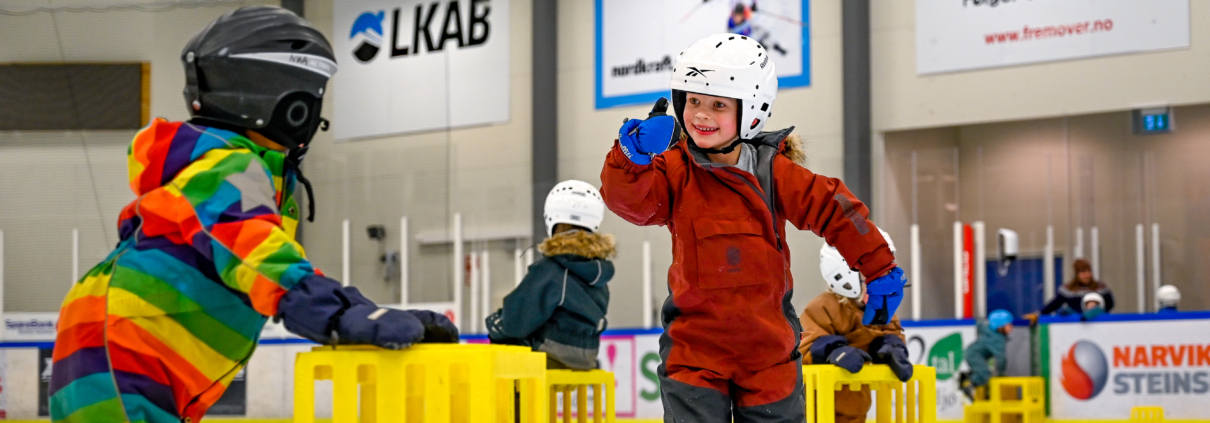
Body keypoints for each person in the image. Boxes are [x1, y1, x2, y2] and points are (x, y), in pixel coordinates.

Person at [49, 8, 457, 423]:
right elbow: (256, 251)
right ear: (286, 100)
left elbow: (262, 254)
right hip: (128, 348)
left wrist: (360, 309)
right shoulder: (227, 167)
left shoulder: (227, 168)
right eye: (313, 96)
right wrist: (339, 314)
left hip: (123, 342)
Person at [600, 33, 904, 422]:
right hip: (694, 351)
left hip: (769, 352)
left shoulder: (772, 173)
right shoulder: (675, 170)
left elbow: (835, 208)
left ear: (753, 110)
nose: (701, 114)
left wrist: (879, 266)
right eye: (693, 101)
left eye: (718, 105)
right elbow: (632, 204)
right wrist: (632, 157)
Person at [486, 180, 615, 370]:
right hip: (586, 358)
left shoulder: (552, 270)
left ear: (551, 219)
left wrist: (495, 322)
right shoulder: (598, 273)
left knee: (498, 351)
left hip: (551, 358)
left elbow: (515, 322)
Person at [799, 229, 912, 423]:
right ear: (844, 273)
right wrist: (831, 350)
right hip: (818, 410)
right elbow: (806, 347)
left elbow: (892, 331)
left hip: (856, 407)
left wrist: (890, 347)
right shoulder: (824, 307)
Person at [1025, 259, 1114, 324]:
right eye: (1083, 273)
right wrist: (1038, 314)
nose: (1087, 275)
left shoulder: (1100, 287)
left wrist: (1097, 315)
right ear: (1077, 274)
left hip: (1097, 323)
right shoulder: (1068, 289)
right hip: (1074, 324)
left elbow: (1109, 304)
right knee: (1063, 311)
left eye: (1088, 272)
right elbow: (1054, 304)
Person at [959, 309, 1014, 402]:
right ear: (999, 326)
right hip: (975, 356)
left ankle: (966, 376)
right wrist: (1000, 374)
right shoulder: (998, 339)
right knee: (985, 374)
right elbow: (1001, 359)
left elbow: (980, 325)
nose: (1011, 327)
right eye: (1009, 325)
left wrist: (978, 319)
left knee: (982, 372)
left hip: (971, 352)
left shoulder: (988, 329)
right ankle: (969, 387)